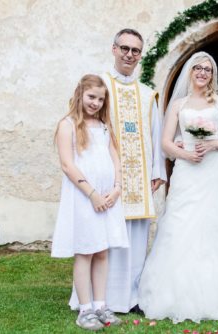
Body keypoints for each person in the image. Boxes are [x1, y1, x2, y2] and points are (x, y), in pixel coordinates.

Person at [138, 52, 218, 323]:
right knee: (181, 225)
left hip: (215, 171)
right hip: (188, 172)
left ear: (213, 74)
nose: (203, 72)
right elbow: (166, 143)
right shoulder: (178, 105)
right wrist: (185, 154)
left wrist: (212, 144)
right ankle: (174, 293)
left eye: (208, 69)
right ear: (190, 72)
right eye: (198, 68)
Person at [69, 29, 167, 313]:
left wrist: (157, 170)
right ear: (113, 49)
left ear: (140, 55)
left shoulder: (148, 94)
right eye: (124, 48)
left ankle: (131, 296)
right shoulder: (99, 87)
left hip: (138, 178)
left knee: (135, 238)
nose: (129, 54)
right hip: (104, 178)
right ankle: (99, 298)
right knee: (102, 237)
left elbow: (155, 132)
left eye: (135, 50)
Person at [51, 74, 129, 330]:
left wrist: (116, 188)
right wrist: (92, 194)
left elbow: (114, 157)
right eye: (91, 97)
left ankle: (100, 304)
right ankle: (85, 309)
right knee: (86, 251)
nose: (95, 103)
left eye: (100, 99)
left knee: (102, 251)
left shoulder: (104, 125)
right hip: (85, 198)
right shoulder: (68, 124)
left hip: (108, 197)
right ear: (80, 95)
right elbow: (67, 164)